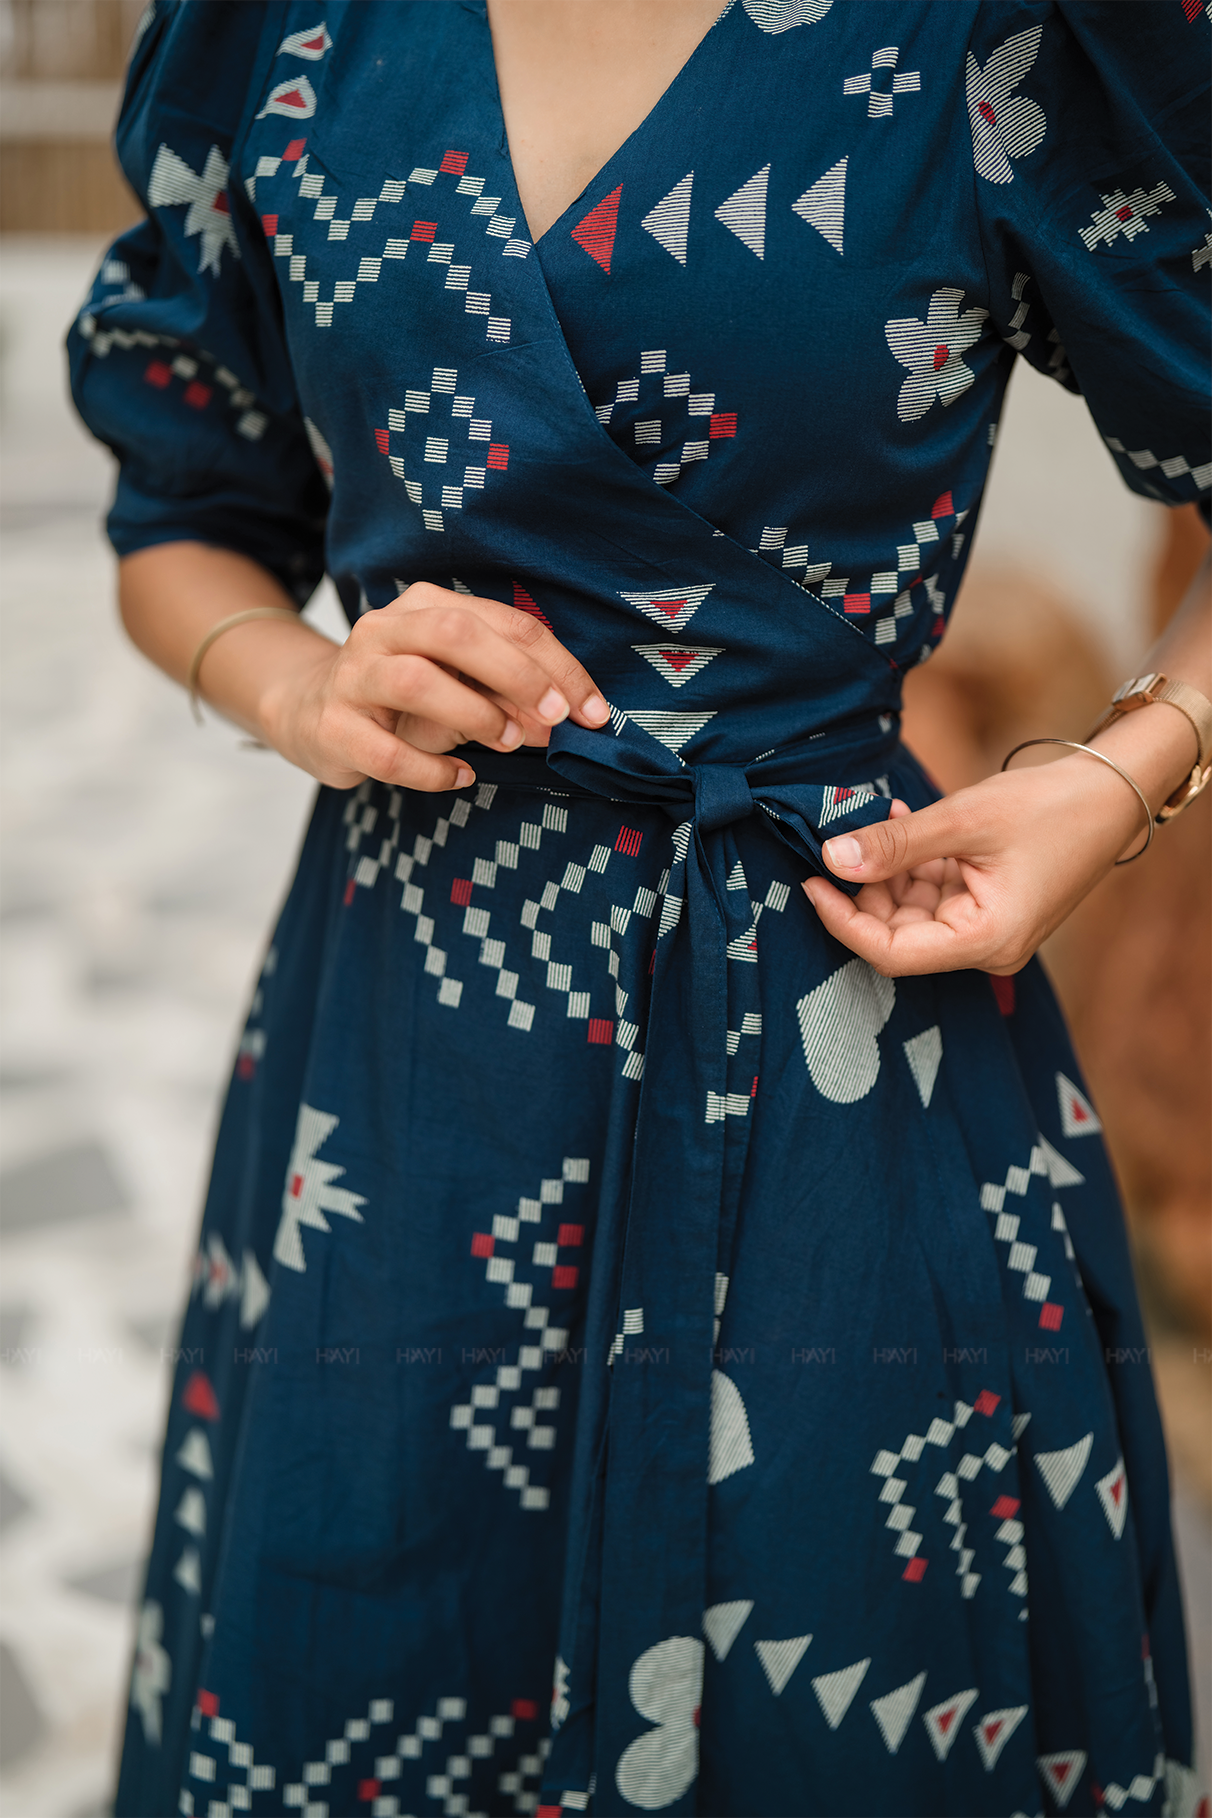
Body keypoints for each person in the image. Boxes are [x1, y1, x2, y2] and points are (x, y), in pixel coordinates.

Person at [68, 3, 1211, 1814]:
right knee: (375, 1669)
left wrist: (1125, 772)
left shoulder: (994, 31)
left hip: (841, 1051)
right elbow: (179, 495)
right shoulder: (288, 24)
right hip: (405, 1095)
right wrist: (295, 685)